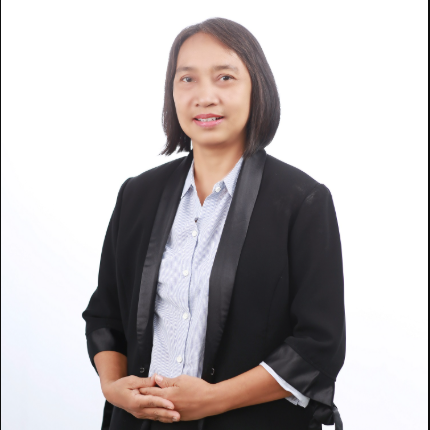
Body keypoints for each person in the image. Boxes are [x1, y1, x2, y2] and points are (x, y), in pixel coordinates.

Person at [82, 17, 346, 430]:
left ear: (257, 88)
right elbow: (105, 314)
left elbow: (319, 345)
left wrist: (213, 400)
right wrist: (113, 387)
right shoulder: (137, 195)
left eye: (225, 77)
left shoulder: (302, 201)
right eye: (187, 79)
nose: (204, 96)